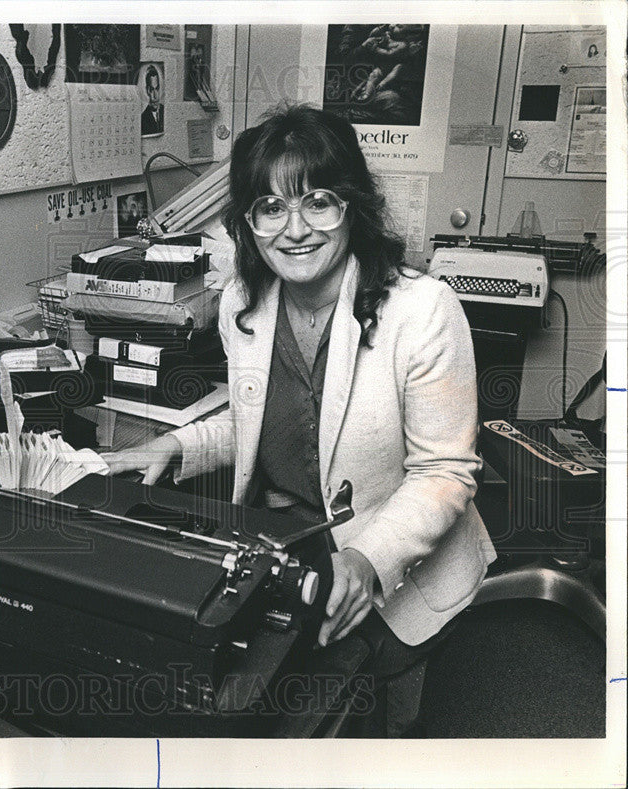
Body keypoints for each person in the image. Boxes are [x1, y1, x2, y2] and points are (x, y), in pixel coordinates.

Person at [103, 104, 496, 736]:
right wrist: (175, 447)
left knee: (327, 708)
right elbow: (262, 419)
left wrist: (369, 560)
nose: (295, 230)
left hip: (389, 555)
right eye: (270, 207)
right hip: (284, 538)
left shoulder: (422, 311)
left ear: (353, 205)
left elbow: (444, 472)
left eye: (317, 201)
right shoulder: (243, 300)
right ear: (249, 221)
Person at [141, 65, 164, 136]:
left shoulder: (166, 112)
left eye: (157, 88)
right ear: (147, 91)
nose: (155, 96)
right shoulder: (143, 118)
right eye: (151, 90)